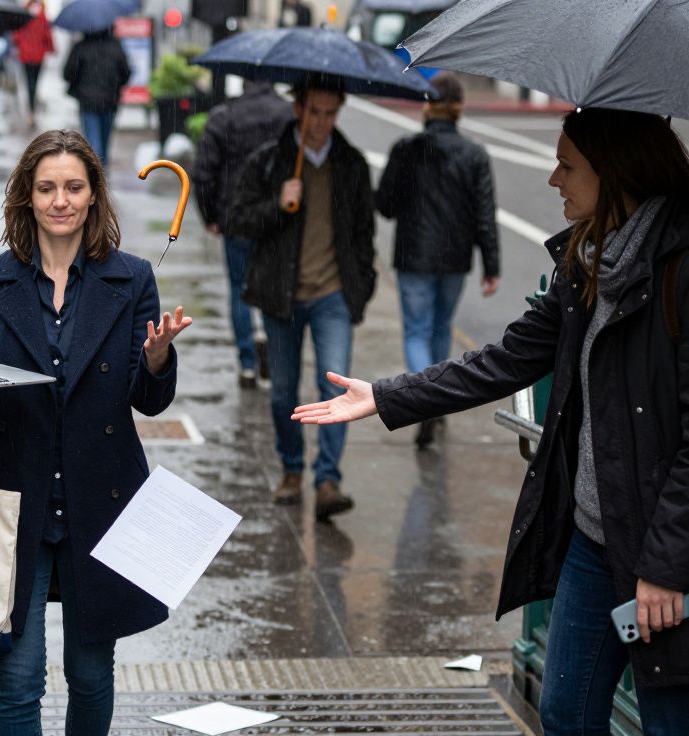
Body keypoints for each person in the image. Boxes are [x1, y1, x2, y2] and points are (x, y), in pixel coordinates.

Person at [293, 108, 689, 734]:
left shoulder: (678, 269)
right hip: (594, 536)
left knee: (669, 721)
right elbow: (503, 360)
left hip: (664, 554)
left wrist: (667, 566)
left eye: (568, 165)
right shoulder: (587, 262)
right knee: (564, 713)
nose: (555, 179)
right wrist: (389, 396)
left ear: (615, 174)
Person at [0, 129, 192, 735]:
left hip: (104, 501)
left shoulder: (133, 278)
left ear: (93, 196)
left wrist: (159, 356)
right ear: (27, 198)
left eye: (73, 187)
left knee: (91, 674)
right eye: (46, 188)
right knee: (18, 676)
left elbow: (147, 400)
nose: (60, 200)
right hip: (14, 504)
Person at [226, 84, 376, 520]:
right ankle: (292, 470)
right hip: (281, 297)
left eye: (330, 114)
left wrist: (359, 291)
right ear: (298, 109)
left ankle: (328, 480)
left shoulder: (351, 164)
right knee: (283, 396)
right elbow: (239, 220)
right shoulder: (270, 161)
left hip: (333, 296)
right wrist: (279, 204)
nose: (321, 123)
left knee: (337, 391)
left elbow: (364, 233)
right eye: (314, 112)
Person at [375, 73, 501, 448]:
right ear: (459, 108)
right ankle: (437, 398)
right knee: (441, 326)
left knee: (416, 329)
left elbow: (384, 204)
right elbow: (484, 213)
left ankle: (421, 402)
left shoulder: (406, 148)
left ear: (426, 105)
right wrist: (491, 265)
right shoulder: (474, 155)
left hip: (413, 253)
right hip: (455, 256)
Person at [194, 80, 294, 389]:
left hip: (234, 215)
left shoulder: (225, 116)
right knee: (271, 284)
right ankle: (270, 345)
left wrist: (210, 214)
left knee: (239, 287)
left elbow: (204, 172)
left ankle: (247, 362)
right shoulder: (288, 114)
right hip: (274, 216)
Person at [63, 29, 131, 170]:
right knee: (104, 143)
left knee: (94, 143)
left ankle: (97, 176)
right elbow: (126, 73)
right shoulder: (115, 46)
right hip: (110, 100)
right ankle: (101, 174)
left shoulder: (81, 47)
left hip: (89, 102)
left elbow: (67, 73)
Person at [10, 0, 55, 127]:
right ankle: (32, 107)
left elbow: (16, 36)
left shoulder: (23, 15)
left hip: (26, 55)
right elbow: (47, 35)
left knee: (29, 81)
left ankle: (31, 108)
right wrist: (51, 48)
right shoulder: (42, 16)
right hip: (38, 56)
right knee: (34, 81)